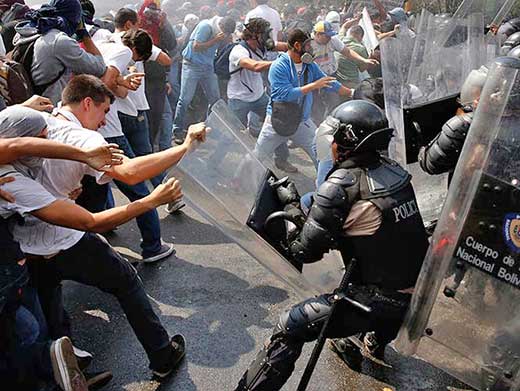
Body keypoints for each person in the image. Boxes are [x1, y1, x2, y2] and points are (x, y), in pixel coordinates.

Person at [235, 100, 429, 390]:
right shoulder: (393, 171)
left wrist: (289, 206)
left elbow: (304, 251)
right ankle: (376, 339)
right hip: (418, 295)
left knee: (290, 325)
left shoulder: (342, 184)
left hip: (379, 301)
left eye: (336, 137)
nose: (331, 144)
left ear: (348, 141)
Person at [253, 29, 353, 169]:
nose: (310, 49)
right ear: (297, 46)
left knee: (322, 155)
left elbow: (328, 82)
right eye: (307, 45)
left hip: (302, 120)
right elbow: (285, 94)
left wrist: (352, 93)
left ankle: (325, 186)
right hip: (277, 122)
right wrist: (313, 86)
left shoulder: (310, 65)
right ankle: (239, 182)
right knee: (257, 156)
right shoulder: (278, 66)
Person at [12, 0, 107, 104]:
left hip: (29, 103)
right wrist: (83, 33)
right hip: (50, 110)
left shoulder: (27, 31)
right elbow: (99, 68)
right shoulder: (59, 41)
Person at [171, 15, 236, 144]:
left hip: (207, 67)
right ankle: (177, 130)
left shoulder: (220, 31)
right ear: (221, 26)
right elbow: (196, 46)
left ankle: (207, 128)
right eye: (225, 31)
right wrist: (214, 40)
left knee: (215, 99)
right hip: (192, 65)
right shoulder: (206, 26)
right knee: (185, 99)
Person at [310, 21, 377, 122]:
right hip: (314, 79)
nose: (329, 38)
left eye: (330, 36)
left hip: (330, 76)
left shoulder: (333, 41)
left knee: (334, 102)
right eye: (326, 36)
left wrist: (363, 60)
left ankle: (328, 124)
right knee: (315, 105)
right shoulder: (308, 44)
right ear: (318, 35)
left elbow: (347, 52)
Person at [336, 25, 370, 89]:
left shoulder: (339, 39)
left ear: (350, 33)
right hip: (350, 82)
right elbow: (362, 69)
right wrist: (370, 58)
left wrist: (356, 20)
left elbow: (344, 26)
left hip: (336, 80)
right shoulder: (361, 48)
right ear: (361, 36)